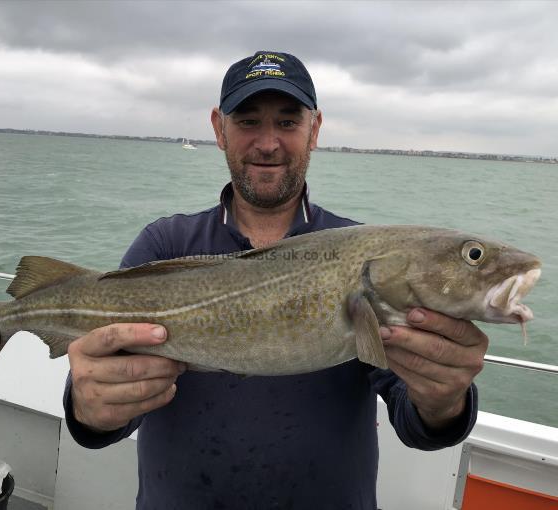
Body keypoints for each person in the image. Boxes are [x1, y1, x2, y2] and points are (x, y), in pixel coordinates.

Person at [63, 51, 488, 509]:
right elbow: (107, 410)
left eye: (288, 123)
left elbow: (415, 421)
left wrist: (444, 398)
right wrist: (89, 406)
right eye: (247, 122)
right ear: (218, 128)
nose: (268, 143)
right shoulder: (165, 244)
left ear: (315, 129)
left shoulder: (363, 256)